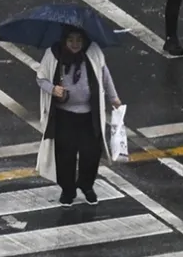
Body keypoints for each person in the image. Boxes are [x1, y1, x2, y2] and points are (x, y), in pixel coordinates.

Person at [35, 26, 122, 206]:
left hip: (89, 116)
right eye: (71, 40)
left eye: (79, 40)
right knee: (65, 155)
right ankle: (68, 190)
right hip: (64, 116)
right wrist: (53, 89)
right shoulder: (53, 54)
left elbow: (105, 75)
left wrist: (114, 98)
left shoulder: (94, 53)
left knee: (91, 152)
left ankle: (86, 185)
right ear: (64, 40)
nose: (75, 44)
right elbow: (41, 78)